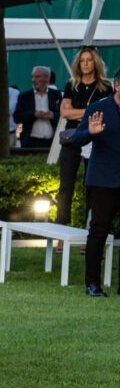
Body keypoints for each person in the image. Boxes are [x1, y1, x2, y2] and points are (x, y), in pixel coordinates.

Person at [70, 68, 120, 297]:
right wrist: (91, 132)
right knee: (98, 232)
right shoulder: (98, 108)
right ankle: (93, 285)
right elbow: (76, 139)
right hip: (102, 180)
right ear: (117, 86)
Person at [58, 46, 113, 227]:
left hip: (94, 139)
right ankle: (61, 230)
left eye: (89, 59)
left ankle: (89, 231)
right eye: (82, 60)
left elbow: (105, 114)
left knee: (92, 187)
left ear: (95, 62)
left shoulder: (105, 87)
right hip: (73, 138)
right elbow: (65, 112)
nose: (86, 63)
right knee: (66, 186)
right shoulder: (71, 84)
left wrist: (78, 112)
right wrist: (90, 112)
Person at [14, 66, 62, 149]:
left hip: (52, 142)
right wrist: (34, 114)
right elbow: (17, 117)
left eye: (37, 77)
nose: (33, 80)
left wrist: (52, 115)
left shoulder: (56, 95)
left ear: (47, 78)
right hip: (30, 142)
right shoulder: (24, 96)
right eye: (32, 77)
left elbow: (63, 116)